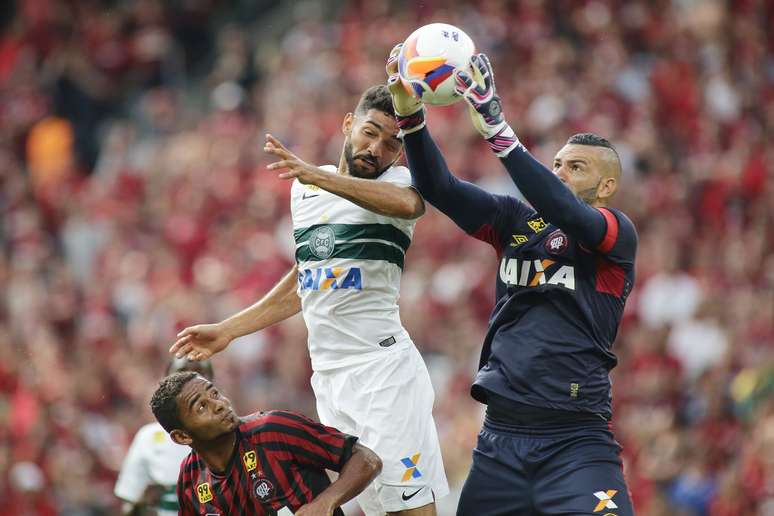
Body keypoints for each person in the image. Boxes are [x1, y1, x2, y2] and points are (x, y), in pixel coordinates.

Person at [169, 85, 449, 515]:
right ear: (347, 124)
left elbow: (410, 206)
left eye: (392, 143)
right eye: (369, 133)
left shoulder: (396, 182)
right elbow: (308, 279)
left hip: (383, 373)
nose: (376, 149)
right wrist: (229, 330)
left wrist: (320, 176)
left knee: (408, 510)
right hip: (330, 379)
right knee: (377, 507)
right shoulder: (303, 192)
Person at [387, 46, 638, 515]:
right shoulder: (515, 222)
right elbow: (439, 188)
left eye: (576, 167)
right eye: (558, 163)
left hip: (576, 444)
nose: (559, 172)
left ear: (606, 188)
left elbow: (566, 210)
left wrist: (498, 131)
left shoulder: (614, 234)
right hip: (500, 443)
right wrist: (409, 116)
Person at [149, 371, 382, 515]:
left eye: (215, 394)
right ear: (182, 437)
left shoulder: (273, 430)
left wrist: (325, 502)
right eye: (201, 406)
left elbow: (366, 459)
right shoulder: (190, 478)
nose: (220, 404)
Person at [114, 357, 215, 516]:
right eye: (182, 373)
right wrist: (141, 505)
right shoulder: (148, 438)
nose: (191, 382)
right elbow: (129, 503)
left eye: (199, 373)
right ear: (167, 383)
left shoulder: (230, 434)